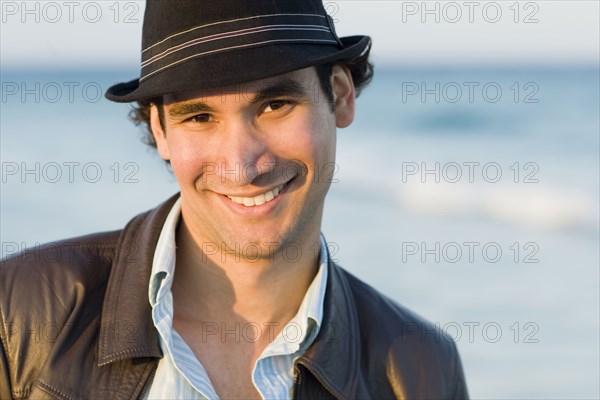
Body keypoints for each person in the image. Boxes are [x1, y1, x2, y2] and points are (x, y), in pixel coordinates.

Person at [0, 1, 469, 398]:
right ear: (160, 131)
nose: (242, 167)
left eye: (275, 105)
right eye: (200, 116)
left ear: (340, 96)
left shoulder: (420, 368)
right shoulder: (18, 312)